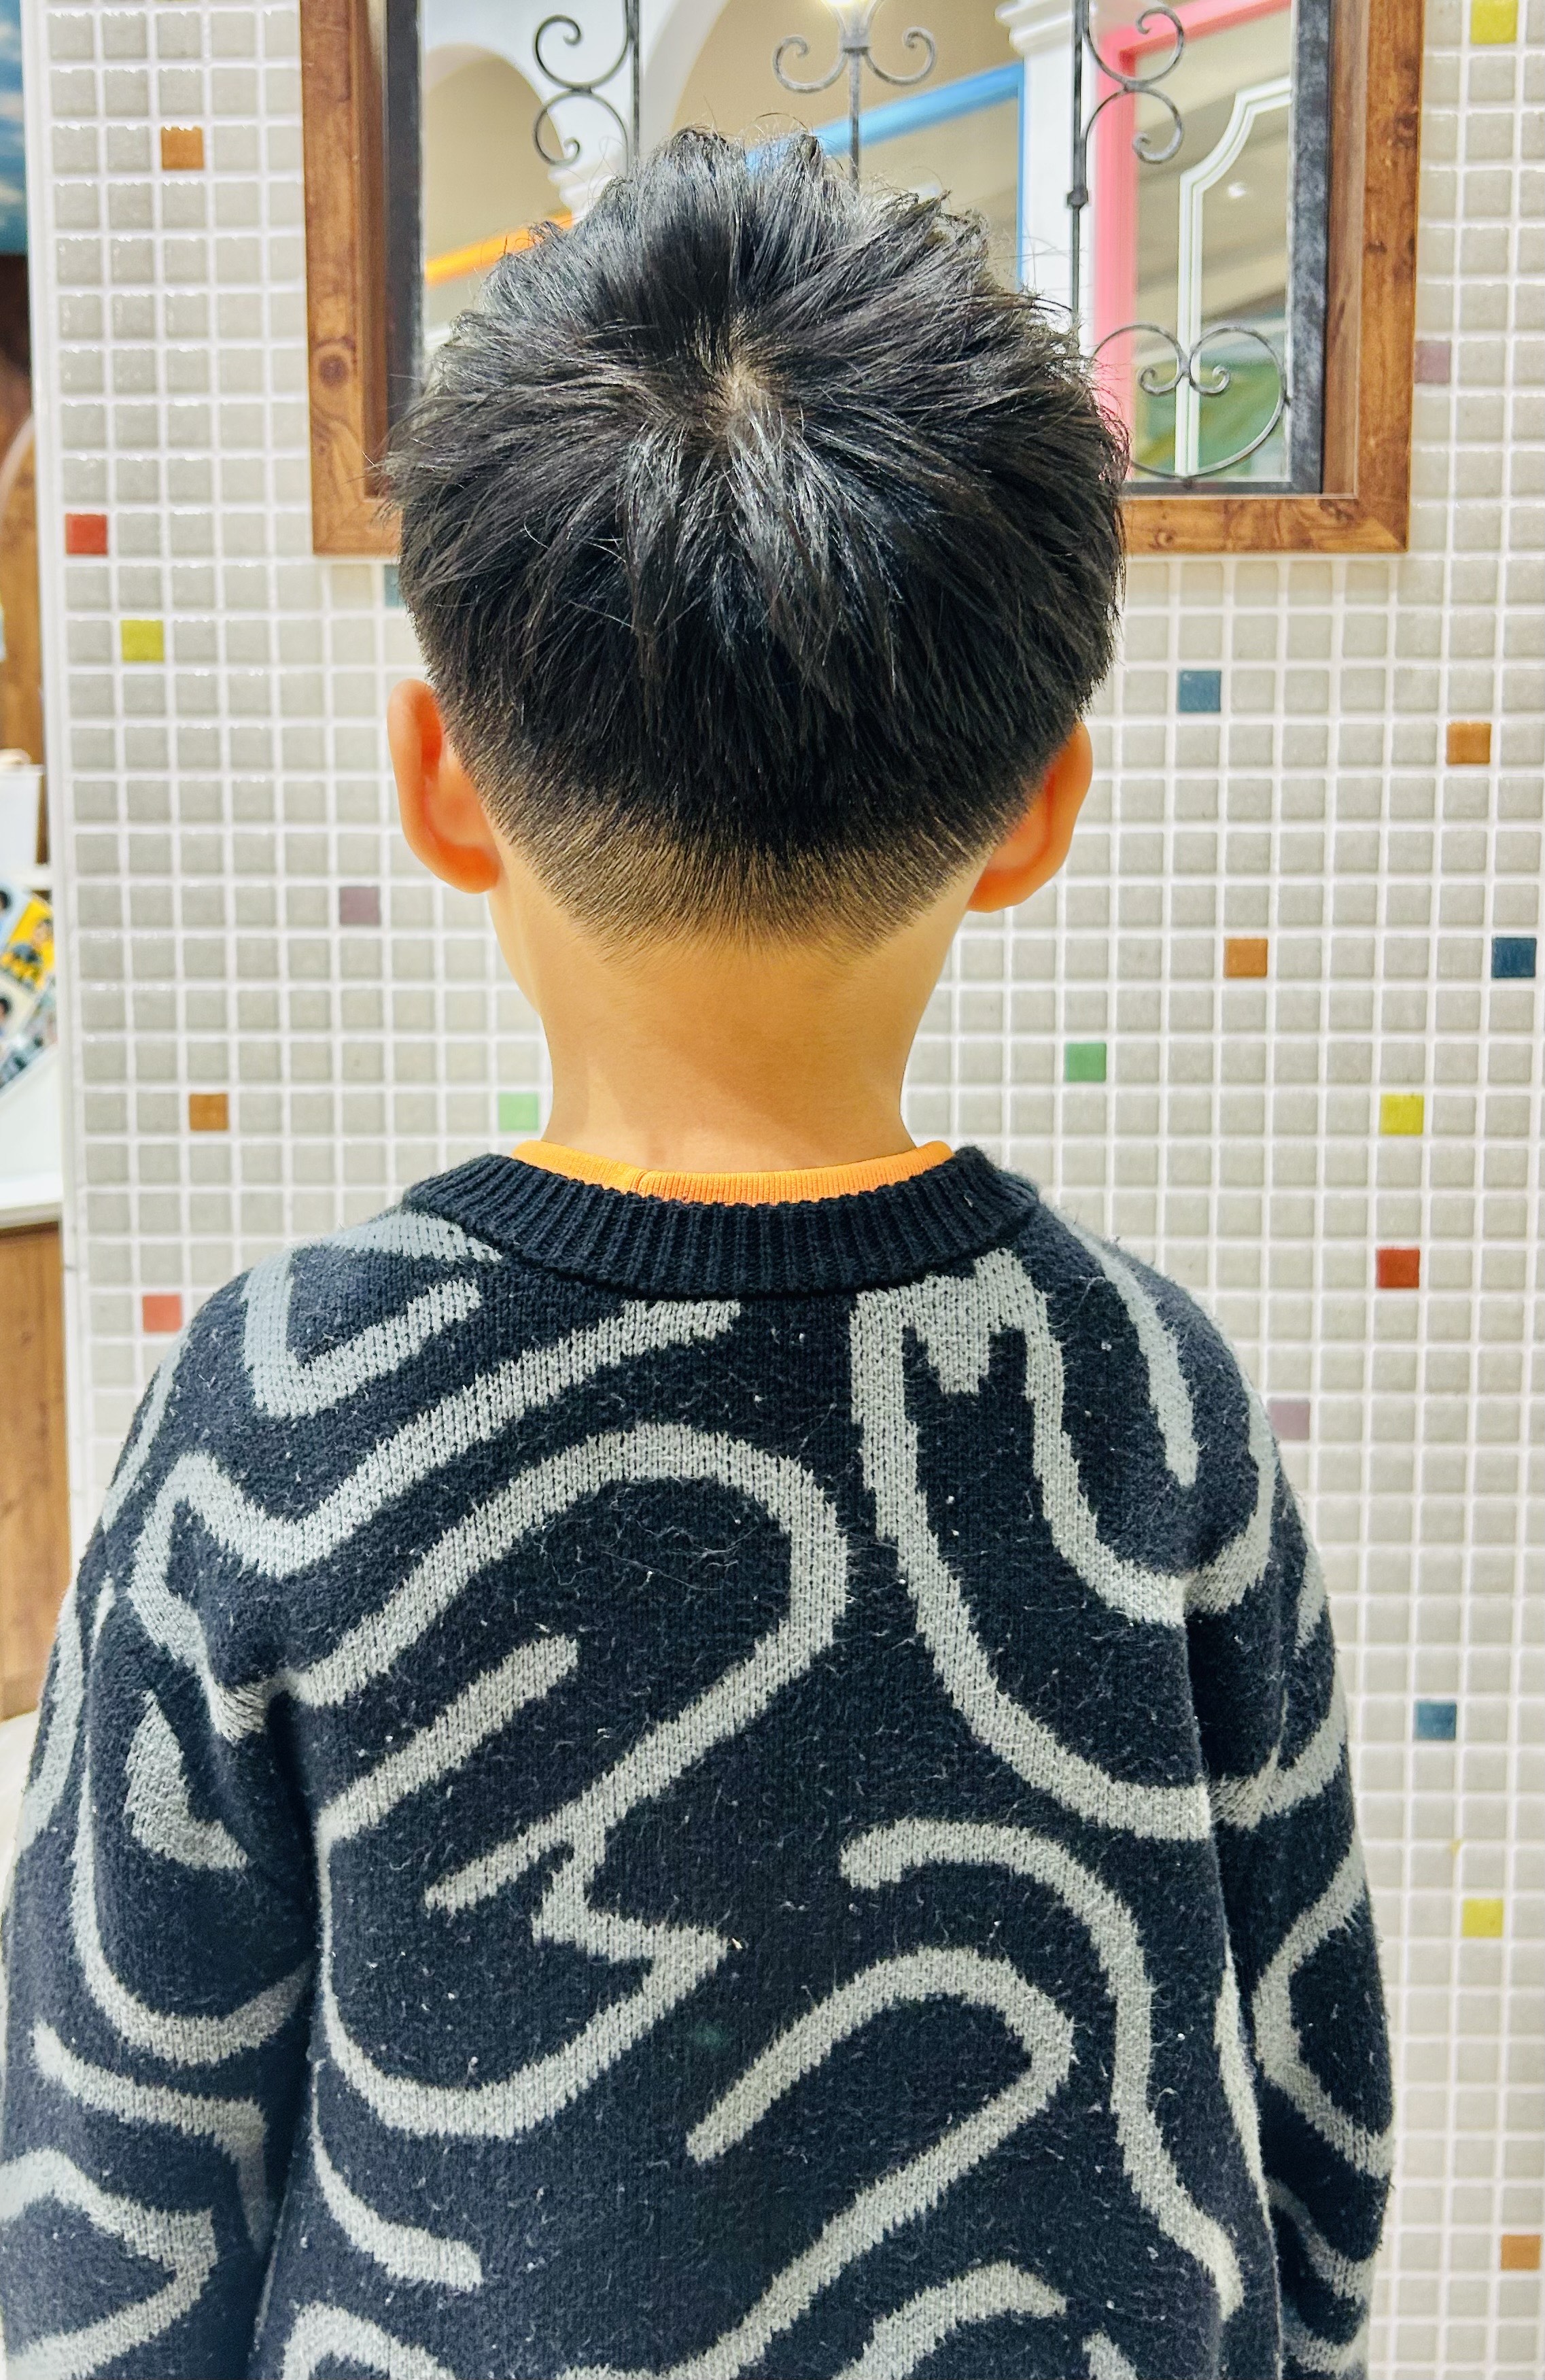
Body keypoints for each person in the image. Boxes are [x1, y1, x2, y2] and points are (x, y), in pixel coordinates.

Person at [0, 132, 1389, 2380]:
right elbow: (1314, 2077)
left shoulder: (280, 1406)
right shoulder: (1138, 1392)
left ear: (440, 780)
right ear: (1040, 809)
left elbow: (108, 2148)